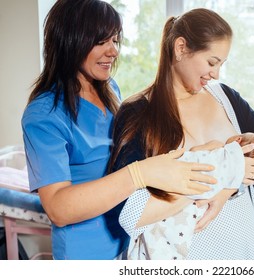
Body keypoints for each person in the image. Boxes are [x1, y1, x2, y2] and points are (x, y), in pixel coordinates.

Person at [20, 0, 216, 260]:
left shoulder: (110, 89)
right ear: (69, 40)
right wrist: (137, 174)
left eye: (115, 40)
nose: (113, 51)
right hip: (88, 254)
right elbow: (58, 208)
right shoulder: (44, 114)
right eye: (101, 41)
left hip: (132, 240)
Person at [109, 8, 254, 260]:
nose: (216, 74)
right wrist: (223, 174)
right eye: (211, 62)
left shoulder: (225, 98)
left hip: (247, 252)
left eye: (221, 64)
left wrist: (229, 188)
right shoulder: (138, 112)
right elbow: (130, 210)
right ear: (181, 48)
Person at [124, 132, 254, 260]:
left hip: (180, 196)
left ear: (238, 139)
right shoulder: (235, 179)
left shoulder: (218, 146)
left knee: (157, 239)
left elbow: (194, 151)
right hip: (194, 215)